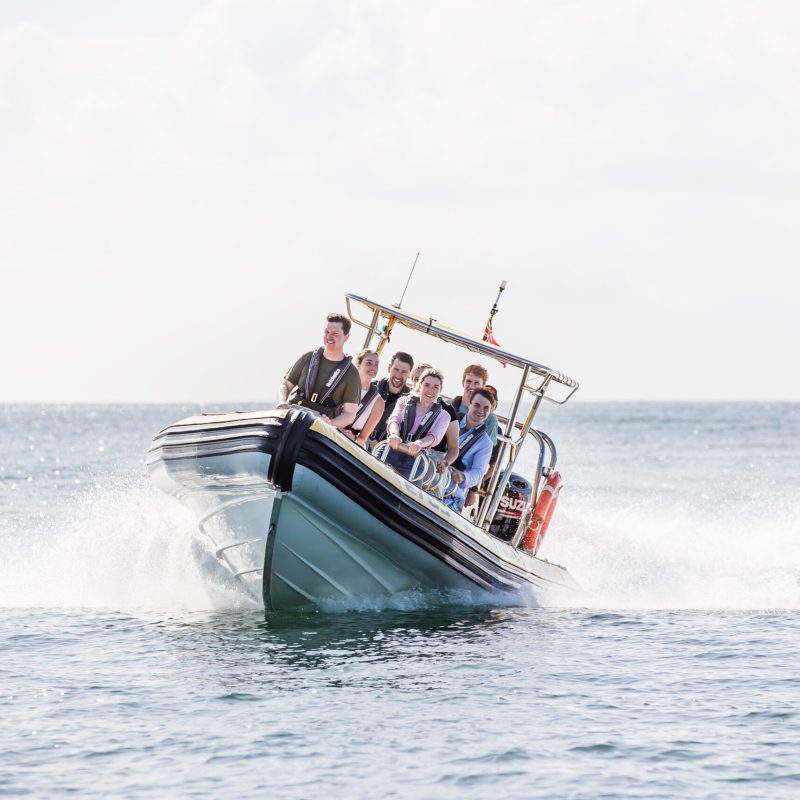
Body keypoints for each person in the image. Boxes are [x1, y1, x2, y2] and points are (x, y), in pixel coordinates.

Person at [277, 312, 361, 429]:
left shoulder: (352, 373)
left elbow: (349, 414)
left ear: (346, 337)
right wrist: (282, 401)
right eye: (327, 332)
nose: (329, 336)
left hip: (321, 427)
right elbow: (286, 385)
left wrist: (331, 423)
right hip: (293, 416)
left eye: (335, 333)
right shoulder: (308, 357)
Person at [385, 368, 451, 479]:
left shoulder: (444, 416)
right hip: (393, 448)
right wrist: (394, 434)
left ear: (440, 390)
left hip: (416, 460)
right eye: (427, 385)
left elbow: (434, 437)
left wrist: (419, 444)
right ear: (420, 385)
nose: (430, 390)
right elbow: (394, 420)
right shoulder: (403, 401)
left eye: (436, 387)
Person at [436, 388, 494, 513]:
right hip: (430, 477)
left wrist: (463, 477)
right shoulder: (449, 420)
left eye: (486, 408)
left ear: (490, 411)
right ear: (469, 404)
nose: (481, 411)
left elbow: (478, 472)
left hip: (452, 492)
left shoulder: (486, 443)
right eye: (477, 405)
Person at [342, 349, 385, 448]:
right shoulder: (343, 386)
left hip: (351, 446)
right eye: (369, 363)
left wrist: (353, 438)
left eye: (376, 364)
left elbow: (363, 438)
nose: (373, 367)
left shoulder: (378, 402)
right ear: (358, 364)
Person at [369, 352, 414, 445]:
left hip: (386, 448)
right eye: (396, 369)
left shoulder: (411, 403)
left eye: (404, 372)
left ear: (410, 374)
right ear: (389, 367)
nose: (398, 375)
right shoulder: (370, 387)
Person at [450, 364, 499, 446]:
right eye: (468, 381)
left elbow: (487, 448)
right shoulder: (448, 405)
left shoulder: (490, 418)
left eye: (476, 383)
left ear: (483, 387)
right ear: (463, 383)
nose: (472, 386)